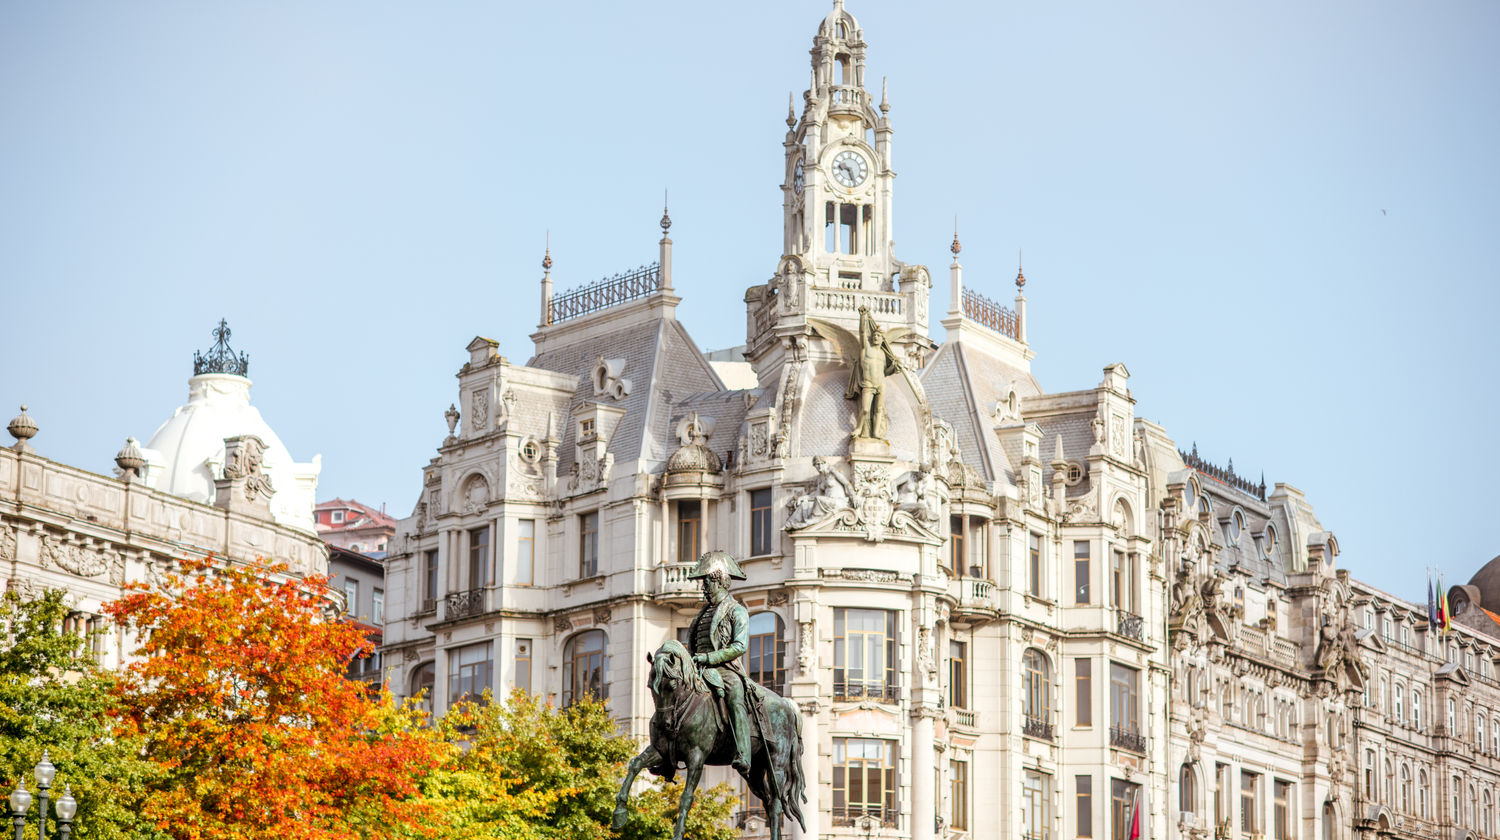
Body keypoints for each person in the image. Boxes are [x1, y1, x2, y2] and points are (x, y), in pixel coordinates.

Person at [686, 550, 754, 774]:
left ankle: (743, 753)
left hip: (725, 669)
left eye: (705, 582)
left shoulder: (737, 611)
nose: (703, 587)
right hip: (699, 668)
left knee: (735, 696)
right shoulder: (702, 613)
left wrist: (709, 657)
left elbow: (739, 646)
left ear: (719, 581)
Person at [844, 306, 903, 440]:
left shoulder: (883, 354)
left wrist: (894, 367)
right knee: (865, 409)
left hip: (881, 384)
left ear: (882, 339)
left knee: (879, 410)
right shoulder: (866, 350)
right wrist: (863, 317)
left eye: (879, 336)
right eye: (875, 335)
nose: (876, 337)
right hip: (868, 384)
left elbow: (885, 372)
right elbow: (863, 333)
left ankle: (876, 433)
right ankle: (859, 428)